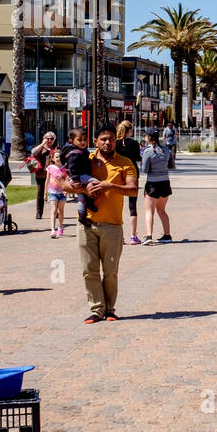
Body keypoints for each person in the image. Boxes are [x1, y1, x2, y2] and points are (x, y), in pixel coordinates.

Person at [76, 124, 138, 323]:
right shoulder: (85, 160)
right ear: (95, 141)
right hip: (86, 224)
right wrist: (85, 190)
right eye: (103, 139)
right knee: (89, 270)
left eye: (110, 138)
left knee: (110, 272)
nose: (107, 142)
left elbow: (134, 189)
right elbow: (64, 183)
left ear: (116, 140)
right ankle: (97, 309)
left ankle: (110, 309)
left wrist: (110, 186)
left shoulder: (125, 162)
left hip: (112, 225)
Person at [139, 129, 172, 244]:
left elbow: (145, 169)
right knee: (162, 211)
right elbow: (171, 165)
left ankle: (149, 236)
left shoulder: (147, 151)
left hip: (152, 183)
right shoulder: (166, 149)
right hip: (165, 182)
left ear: (148, 137)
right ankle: (167, 235)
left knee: (149, 211)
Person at [61, 128, 98, 226]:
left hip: (76, 177)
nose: (83, 142)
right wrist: (76, 179)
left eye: (85, 139)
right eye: (79, 140)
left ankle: (82, 216)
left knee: (81, 197)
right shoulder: (75, 153)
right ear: (71, 140)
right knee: (96, 183)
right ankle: (90, 202)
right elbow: (73, 167)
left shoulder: (79, 150)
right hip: (78, 177)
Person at [115, 121, 143, 244]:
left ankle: (120, 236)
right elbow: (138, 157)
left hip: (118, 173)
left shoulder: (115, 143)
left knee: (118, 205)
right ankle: (133, 236)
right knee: (132, 206)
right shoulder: (134, 143)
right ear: (129, 130)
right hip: (132, 173)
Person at [31, 132, 58, 221]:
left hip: (53, 175)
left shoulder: (56, 149)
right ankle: (39, 212)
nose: (49, 140)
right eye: (47, 138)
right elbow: (33, 153)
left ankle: (55, 211)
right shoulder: (40, 148)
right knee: (40, 193)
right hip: (41, 174)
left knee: (55, 193)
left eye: (51, 139)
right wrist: (43, 144)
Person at [45, 147, 69, 237]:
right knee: (53, 210)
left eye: (59, 157)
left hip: (62, 193)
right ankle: (52, 229)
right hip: (52, 192)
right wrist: (45, 193)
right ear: (52, 158)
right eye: (56, 157)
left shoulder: (64, 168)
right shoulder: (50, 168)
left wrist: (67, 190)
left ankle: (60, 227)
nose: (58, 159)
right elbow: (47, 181)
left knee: (61, 210)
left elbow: (67, 180)